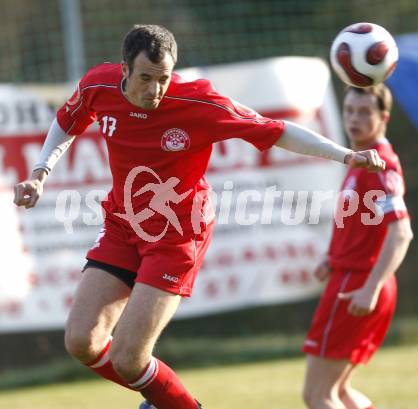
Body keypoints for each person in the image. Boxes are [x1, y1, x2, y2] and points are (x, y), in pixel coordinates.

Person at [13, 25, 385, 409]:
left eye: (163, 79)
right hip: (123, 225)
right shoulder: (99, 86)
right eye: (145, 78)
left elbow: (275, 131)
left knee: (129, 359)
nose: (156, 90)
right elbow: (67, 121)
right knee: (82, 342)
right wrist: (41, 171)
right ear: (124, 70)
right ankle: (163, 399)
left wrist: (345, 155)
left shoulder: (198, 102)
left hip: (178, 236)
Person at [302, 84, 413, 409]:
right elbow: (364, 226)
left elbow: (401, 233)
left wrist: (370, 287)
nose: (354, 119)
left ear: (383, 118)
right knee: (342, 392)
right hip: (358, 279)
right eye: (349, 110)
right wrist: (331, 257)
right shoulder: (363, 163)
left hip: (358, 285)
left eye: (364, 112)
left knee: (318, 395)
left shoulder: (382, 167)